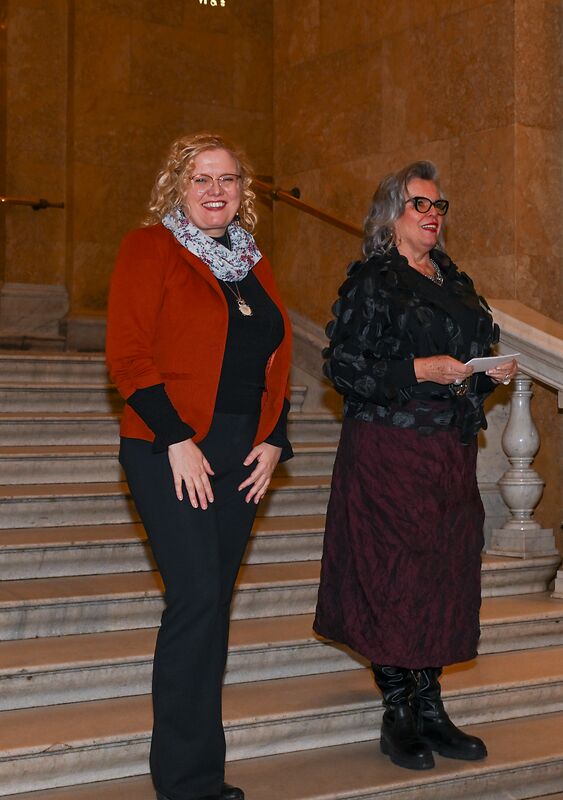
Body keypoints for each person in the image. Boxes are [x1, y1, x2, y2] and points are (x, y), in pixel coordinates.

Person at [106, 132, 293, 800]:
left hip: (242, 450)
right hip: (171, 446)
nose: (216, 191)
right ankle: (186, 784)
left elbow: (274, 358)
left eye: (228, 179)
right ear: (177, 186)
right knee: (196, 600)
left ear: (243, 190)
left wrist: (276, 437)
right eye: (201, 179)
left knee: (213, 605)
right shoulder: (149, 248)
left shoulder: (252, 261)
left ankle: (202, 775)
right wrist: (176, 437)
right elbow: (128, 354)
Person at [314, 161, 517, 771]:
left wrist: (486, 373)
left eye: (438, 205)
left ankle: (431, 707)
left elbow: (465, 360)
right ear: (391, 216)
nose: (432, 215)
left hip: (448, 453)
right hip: (388, 452)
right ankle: (398, 711)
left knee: (443, 574)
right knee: (393, 575)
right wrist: (418, 369)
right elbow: (343, 366)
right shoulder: (373, 281)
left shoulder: (454, 280)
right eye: (418, 204)